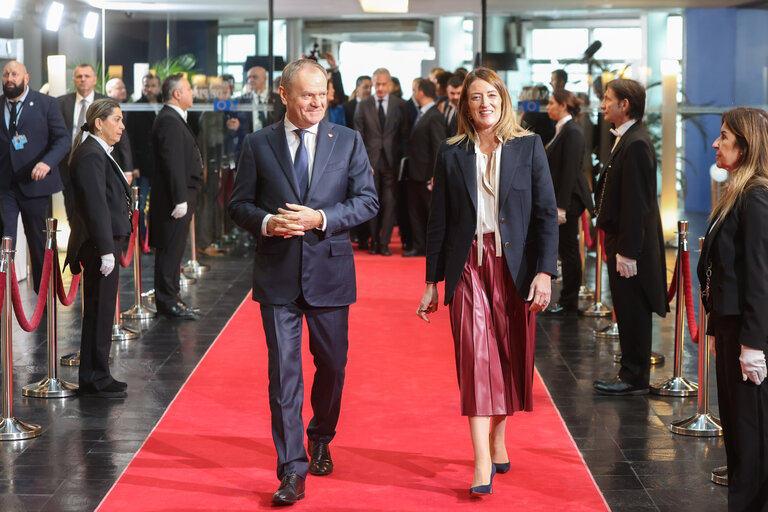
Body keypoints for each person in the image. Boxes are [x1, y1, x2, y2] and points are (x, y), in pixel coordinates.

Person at [228, 58, 378, 506]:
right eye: (307, 94)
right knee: (284, 378)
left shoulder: (348, 140)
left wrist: (323, 218)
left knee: (332, 367)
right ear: (284, 95)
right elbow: (239, 205)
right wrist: (269, 222)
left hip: (330, 274)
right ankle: (291, 470)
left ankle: (321, 435)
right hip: (277, 277)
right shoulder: (257, 143)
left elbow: (367, 201)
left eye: (322, 93)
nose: (316, 101)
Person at [417, 67, 558, 496]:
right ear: (466, 105)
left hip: (514, 268)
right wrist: (431, 281)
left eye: (492, 96)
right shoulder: (451, 151)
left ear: (503, 100)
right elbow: (438, 221)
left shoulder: (529, 146)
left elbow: (546, 214)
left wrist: (545, 271)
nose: (485, 104)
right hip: (467, 269)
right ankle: (481, 460)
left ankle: (498, 435)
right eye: (476, 97)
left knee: (513, 363)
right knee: (476, 361)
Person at [698, 107, 768, 511]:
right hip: (729, 328)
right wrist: (713, 328)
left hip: (746, 333)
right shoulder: (738, 190)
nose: (715, 143)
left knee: (751, 435)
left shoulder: (756, 196)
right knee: (739, 440)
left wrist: (753, 343)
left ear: (744, 145)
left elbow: (760, 276)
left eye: (724, 136)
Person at [593, 78, 667, 395]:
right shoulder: (626, 138)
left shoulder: (635, 142)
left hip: (630, 244)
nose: (602, 104)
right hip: (622, 239)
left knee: (632, 307)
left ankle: (633, 376)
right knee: (625, 306)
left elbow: (637, 202)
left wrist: (628, 251)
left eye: (608, 99)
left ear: (625, 105)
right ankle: (630, 370)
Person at [64, 98, 132, 398]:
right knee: (100, 310)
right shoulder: (91, 153)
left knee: (101, 311)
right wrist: (106, 249)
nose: (122, 125)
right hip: (98, 243)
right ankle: (96, 376)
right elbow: (95, 207)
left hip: (104, 240)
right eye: (116, 119)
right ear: (98, 123)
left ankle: (95, 374)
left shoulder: (96, 150)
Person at [0, 60, 69, 293]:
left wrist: (46, 163)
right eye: (6, 74)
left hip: (35, 184)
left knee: (38, 243)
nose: (10, 78)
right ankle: (4, 293)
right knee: (5, 239)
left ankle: (46, 294)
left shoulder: (46, 103)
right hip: (4, 185)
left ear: (26, 78)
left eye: (15, 74)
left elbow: (62, 140)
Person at [150, 73, 203, 319]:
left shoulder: (174, 118)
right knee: (170, 250)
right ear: (177, 94)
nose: (193, 92)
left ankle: (172, 297)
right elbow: (172, 163)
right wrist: (179, 198)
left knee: (176, 250)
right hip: (174, 199)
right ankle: (166, 301)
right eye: (189, 88)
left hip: (181, 194)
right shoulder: (169, 120)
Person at [543, 89, 593, 316]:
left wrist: (561, 207)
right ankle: (567, 298)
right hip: (562, 199)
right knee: (566, 249)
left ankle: (570, 300)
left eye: (551, 103)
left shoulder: (572, 131)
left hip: (569, 201)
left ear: (563, 105)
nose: (547, 107)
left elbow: (570, 171)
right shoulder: (562, 129)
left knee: (569, 251)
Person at [354, 67, 410, 256]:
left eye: (383, 84)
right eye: (376, 84)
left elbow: (404, 135)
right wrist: (363, 162)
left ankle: (384, 242)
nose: (380, 88)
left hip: (391, 163)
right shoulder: (363, 104)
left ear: (390, 85)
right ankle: (374, 241)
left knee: (390, 202)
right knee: (371, 202)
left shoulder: (400, 105)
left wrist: (402, 163)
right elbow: (358, 136)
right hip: (370, 162)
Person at [404, 78, 444, 257]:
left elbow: (438, 146)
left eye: (414, 90)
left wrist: (436, 173)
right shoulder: (422, 113)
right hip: (415, 173)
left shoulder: (434, 115)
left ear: (421, 92)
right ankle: (419, 245)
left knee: (429, 213)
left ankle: (433, 248)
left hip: (427, 174)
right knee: (415, 212)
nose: (413, 94)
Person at [58, 64, 103, 220]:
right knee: (72, 210)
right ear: (74, 80)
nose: (83, 79)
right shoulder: (61, 103)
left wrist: (128, 168)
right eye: (79, 76)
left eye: (87, 76)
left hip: (98, 163)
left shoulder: (105, 102)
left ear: (95, 80)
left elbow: (122, 137)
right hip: (68, 165)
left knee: (96, 211)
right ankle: (77, 244)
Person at [125, 73, 160, 245]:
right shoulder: (135, 107)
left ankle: (155, 238)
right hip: (142, 164)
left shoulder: (163, 105)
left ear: (159, 87)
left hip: (161, 165)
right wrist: (134, 165)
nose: (150, 89)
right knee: (141, 204)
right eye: (147, 85)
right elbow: (130, 138)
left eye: (153, 85)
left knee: (158, 204)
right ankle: (143, 240)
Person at [105, 78, 133, 184]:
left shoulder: (129, 108)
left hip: (121, 163)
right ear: (109, 91)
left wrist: (128, 169)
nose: (123, 90)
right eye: (119, 88)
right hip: (109, 161)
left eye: (124, 88)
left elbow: (125, 142)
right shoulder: (106, 109)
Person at [242, 66, 286, 131]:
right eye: (249, 77)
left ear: (265, 78)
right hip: (249, 139)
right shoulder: (242, 101)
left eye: (254, 77)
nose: (250, 80)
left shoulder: (280, 100)